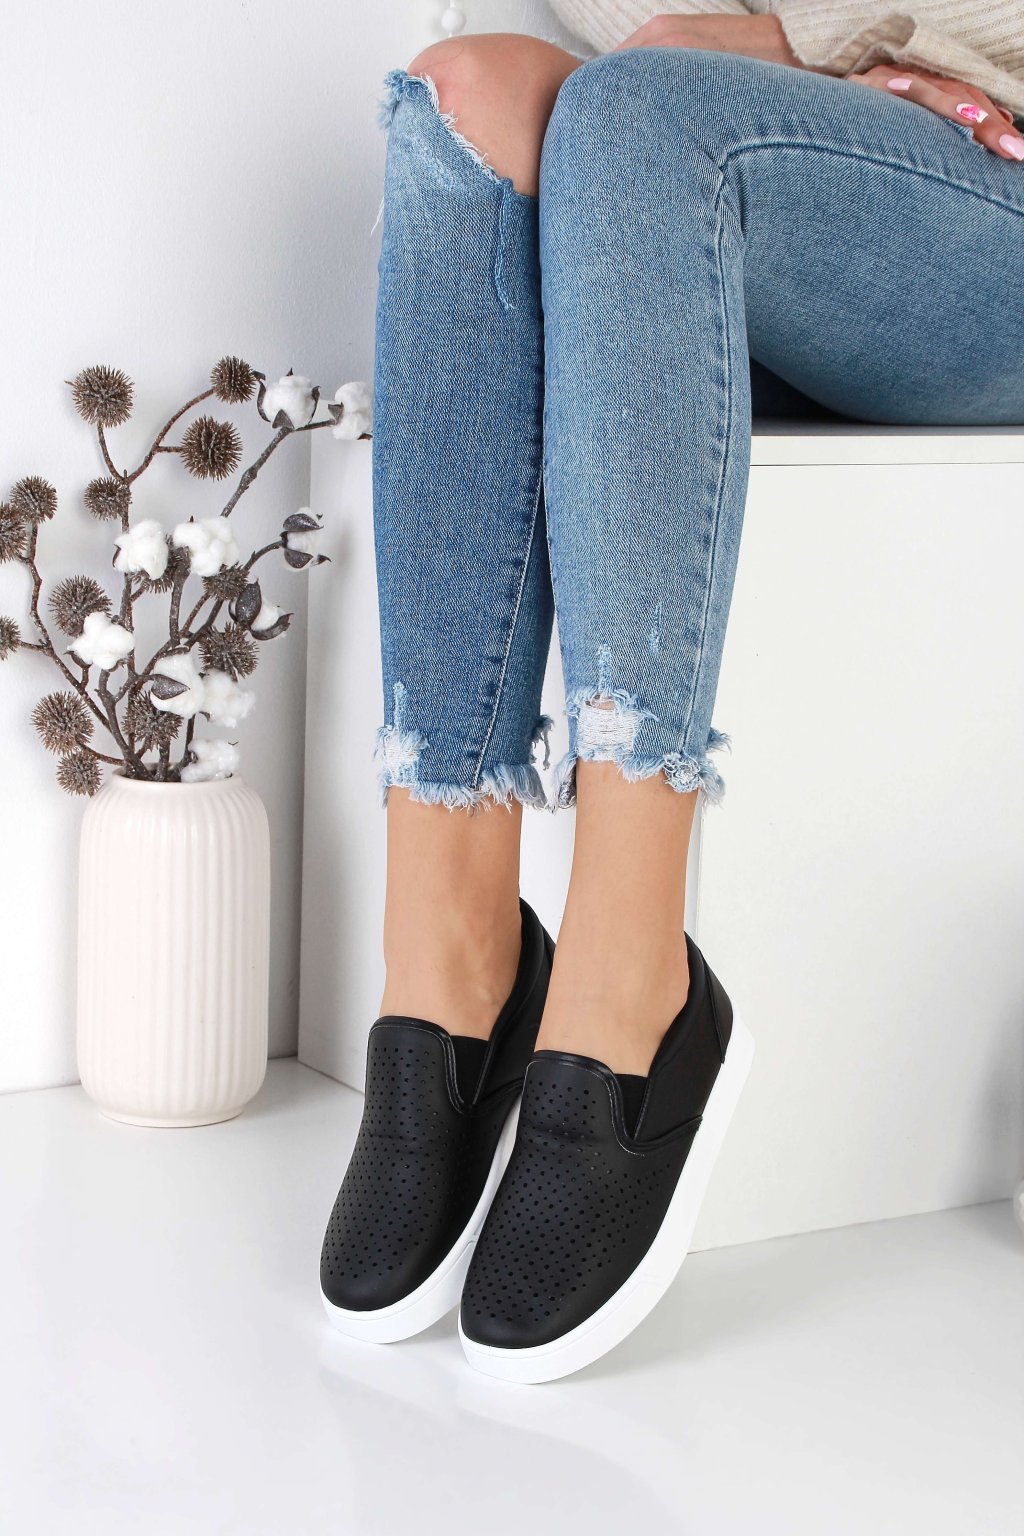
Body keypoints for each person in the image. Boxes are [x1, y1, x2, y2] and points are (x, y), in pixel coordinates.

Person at [320, 3, 1024, 1382]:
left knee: (639, 115)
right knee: (468, 96)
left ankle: (629, 974)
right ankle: (450, 963)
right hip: (747, 180)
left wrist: (810, 35)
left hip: (984, 174)